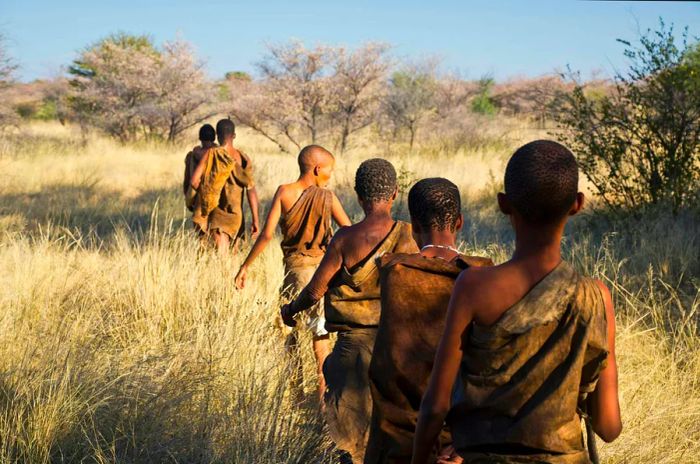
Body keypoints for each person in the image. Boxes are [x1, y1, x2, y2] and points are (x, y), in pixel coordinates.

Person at [412, 140, 622, 464]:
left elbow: (435, 406)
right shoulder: (596, 297)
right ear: (577, 204)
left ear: (503, 204)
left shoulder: (473, 286)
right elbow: (608, 427)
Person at [281, 158, 418, 463]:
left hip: (352, 349)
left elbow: (316, 291)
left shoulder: (344, 239)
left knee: (350, 444)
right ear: (395, 193)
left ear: (358, 195)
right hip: (397, 349)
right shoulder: (409, 236)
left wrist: (291, 309)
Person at [365, 178, 492, 464]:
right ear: (459, 222)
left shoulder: (394, 271)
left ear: (411, 225)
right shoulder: (485, 276)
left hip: (397, 439)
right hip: (464, 440)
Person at [234, 145, 351, 401]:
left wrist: (245, 267)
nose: (330, 176)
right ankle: (322, 402)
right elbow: (348, 230)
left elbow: (266, 235)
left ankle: (296, 394)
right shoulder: (328, 198)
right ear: (318, 169)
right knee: (321, 339)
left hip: (294, 275)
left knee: (290, 332)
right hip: (321, 277)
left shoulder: (284, 192)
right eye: (329, 171)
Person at [190, 119, 260, 254]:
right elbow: (251, 189)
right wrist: (255, 220)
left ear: (217, 135)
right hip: (236, 217)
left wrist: (207, 193)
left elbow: (194, 181)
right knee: (233, 260)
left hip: (217, 215)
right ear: (234, 135)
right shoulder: (243, 158)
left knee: (221, 260)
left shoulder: (212, 154)